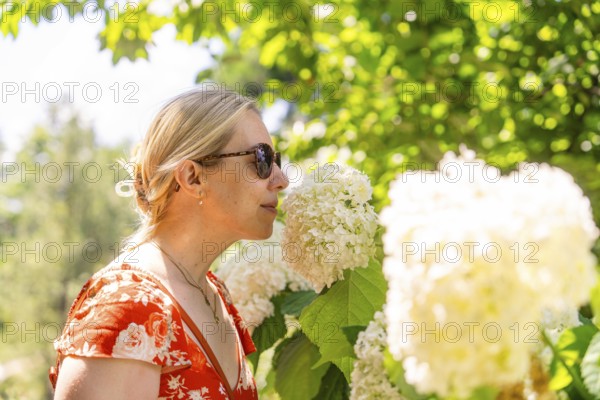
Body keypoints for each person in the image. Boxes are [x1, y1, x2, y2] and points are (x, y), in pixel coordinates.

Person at [49, 88, 289, 399]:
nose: (281, 179)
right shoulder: (128, 305)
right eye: (262, 159)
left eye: (276, 160)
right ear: (193, 177)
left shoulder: (216, 296)